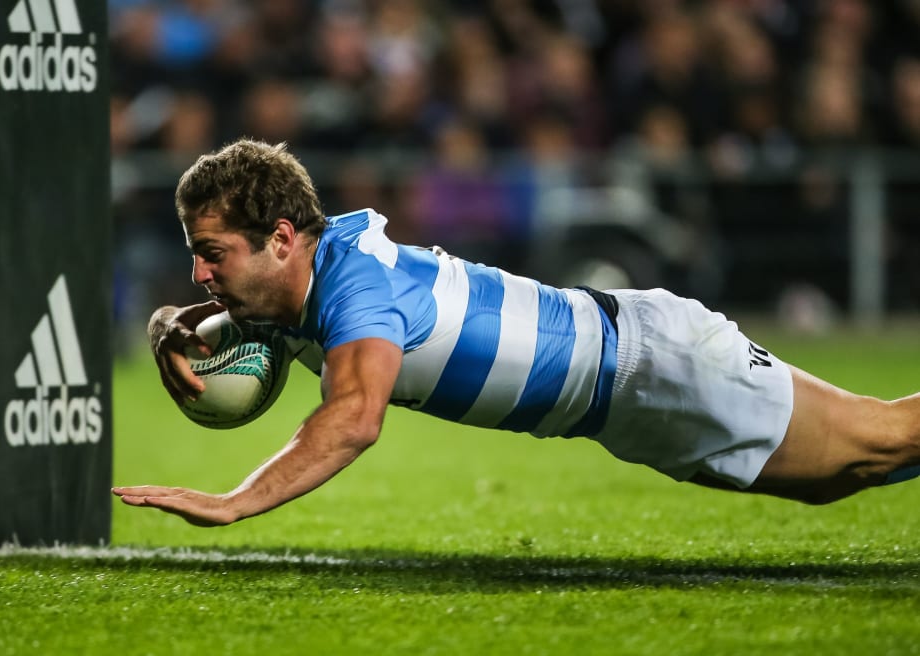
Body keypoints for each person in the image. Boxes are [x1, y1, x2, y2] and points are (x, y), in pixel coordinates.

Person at [112, 138, 920, 528]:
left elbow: (354, 417)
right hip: (624, 401)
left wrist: (234, 501)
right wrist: (167, 326)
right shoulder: (299, 280)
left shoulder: (357, 290)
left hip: (656, 366)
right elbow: (234, 323)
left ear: (282, 238)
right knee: (836, 478)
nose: (199, 277)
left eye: (211, 255)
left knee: (883, 438)